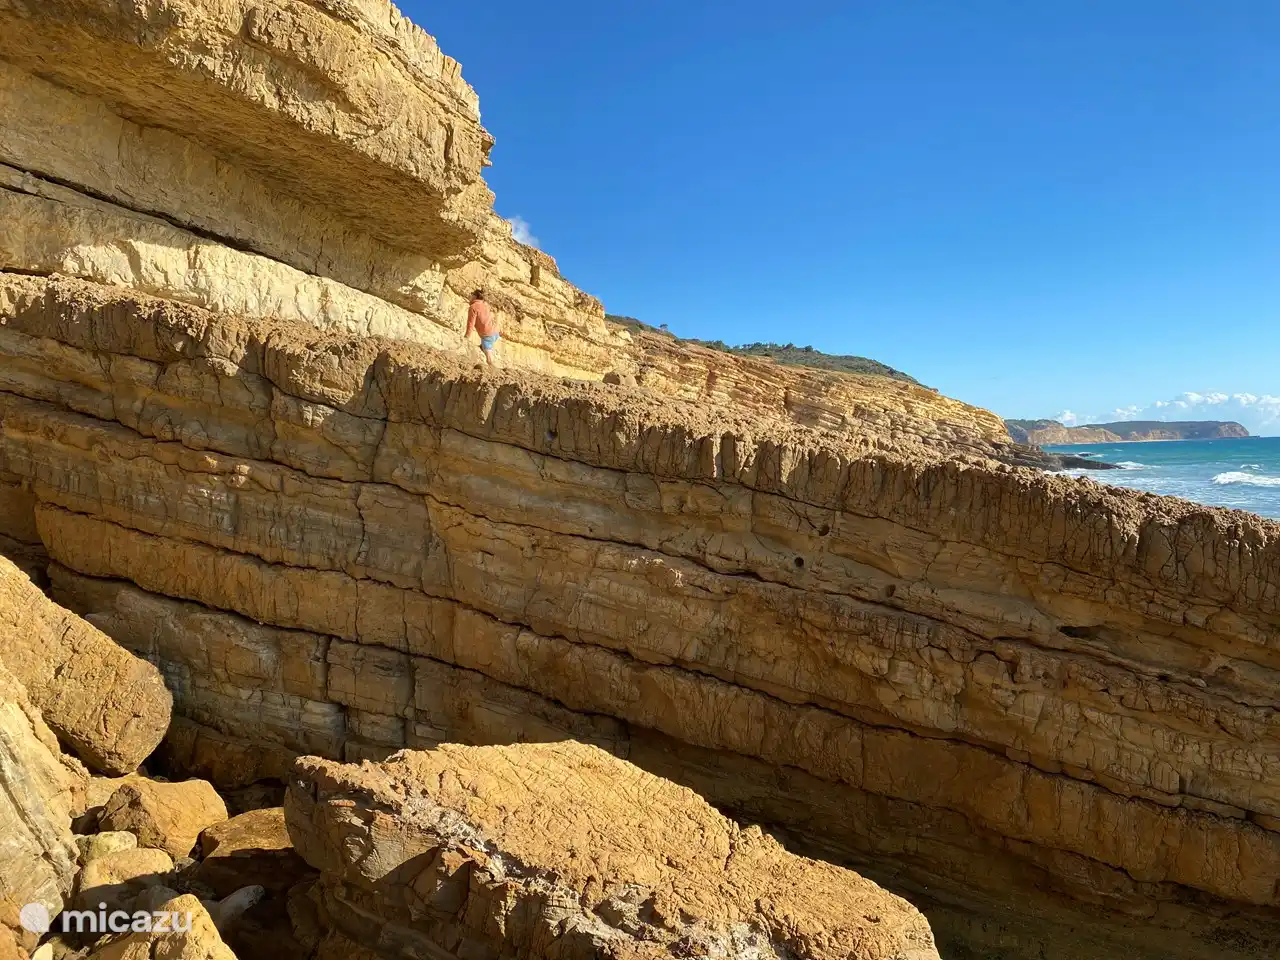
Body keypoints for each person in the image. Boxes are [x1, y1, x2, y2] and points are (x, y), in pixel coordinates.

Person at [465, 289, 500, 366]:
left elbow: (471, 323)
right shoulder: (485, 304)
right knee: (485, 346)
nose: (469, 296)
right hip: (496, 333)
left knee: (489, 359)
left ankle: (492, 370)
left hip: (487, 336)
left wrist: (467, 336)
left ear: (475, 296)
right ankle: (482, 347)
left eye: (471, 295)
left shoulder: (473, 307)